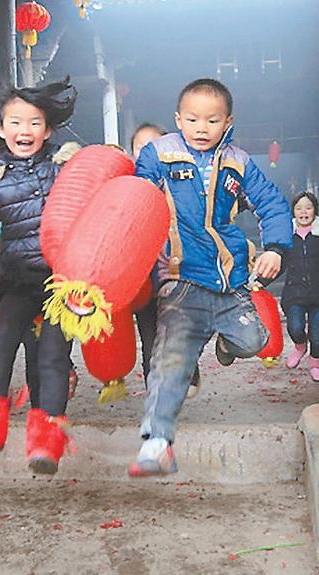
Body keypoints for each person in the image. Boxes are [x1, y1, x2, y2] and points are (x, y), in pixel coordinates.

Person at [128, 78, 292, 477]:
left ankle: (225, 341)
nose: (201, 128)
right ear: (178, 119)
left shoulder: (239, 162)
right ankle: (157, 443)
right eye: (192, 119)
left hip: (229, 280)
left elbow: (271, 203)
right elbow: (135, 198)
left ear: (228, 122)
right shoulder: (159, 154)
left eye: (212, 120)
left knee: (255, 340)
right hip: (180, 279)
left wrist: (275, 248)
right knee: (170, 362)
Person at [0, 77, 81, 475]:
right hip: (17, 280)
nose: (24, 130)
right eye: (15, 122)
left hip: (61, 283)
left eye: (34, 122)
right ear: (1, 129)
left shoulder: (64, 168)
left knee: (52, 356)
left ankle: (47, 440)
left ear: (47, 130)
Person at [0, 224, 78, 408]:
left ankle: (47, 417)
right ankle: (29, 413)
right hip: (21, 284)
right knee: (24, 347)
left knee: (50, 353)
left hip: (59, 283)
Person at [132, 123, 201, 399]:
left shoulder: (183, 184)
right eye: (140, 147)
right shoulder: (128, 187)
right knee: (150, 335)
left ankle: (190, 371)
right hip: (142, 278)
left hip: (178, 274)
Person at [281, 191, 319, 381]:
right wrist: (260, 281)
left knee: (317, 335)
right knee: (295, 327)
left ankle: (315, 362)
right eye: (299, 208)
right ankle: (300, 346)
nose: (304, 212)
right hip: (294, 293)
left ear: (315, 211)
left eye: (308, 208)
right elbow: (278, 264)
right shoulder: (287, 237)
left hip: (317, 295)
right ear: (293, 212)